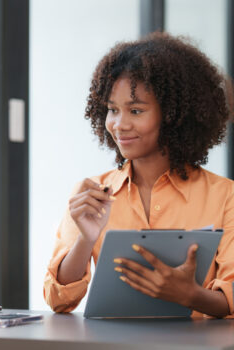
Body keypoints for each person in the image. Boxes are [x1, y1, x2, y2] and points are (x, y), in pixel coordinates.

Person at [43, 32, 234, 318]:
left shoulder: (224, 196)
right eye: (112, 110)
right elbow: (59, 301)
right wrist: (85, 239)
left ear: (174, 115)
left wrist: (190, 295)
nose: (119, 124)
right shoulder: (91, 193)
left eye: (135, 110)